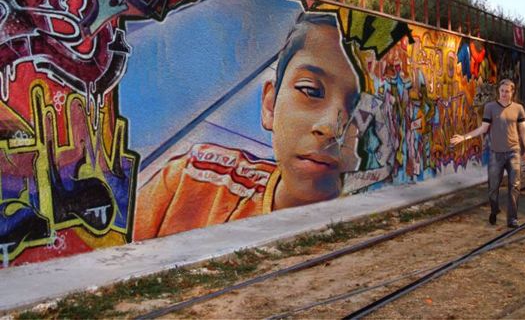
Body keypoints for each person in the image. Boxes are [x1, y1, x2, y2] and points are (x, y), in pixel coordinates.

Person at [134, 12, 362, 239]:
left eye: (360, 110)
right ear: (270, 105)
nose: (332, 128)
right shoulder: (191, 179)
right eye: (310, 90)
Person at [450, 78, 525, 228]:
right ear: (498, 91)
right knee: (493, 188)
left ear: (512, 92)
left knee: (515, 186)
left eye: (507, 91)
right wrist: (464, 137)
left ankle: (512, 219)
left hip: (513, 152)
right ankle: (494, 210)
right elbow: (483, 128)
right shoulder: (490, 107)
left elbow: (523, 129)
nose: (504, 94)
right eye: (502, 91)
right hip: (496, 154)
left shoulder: (518, 108)